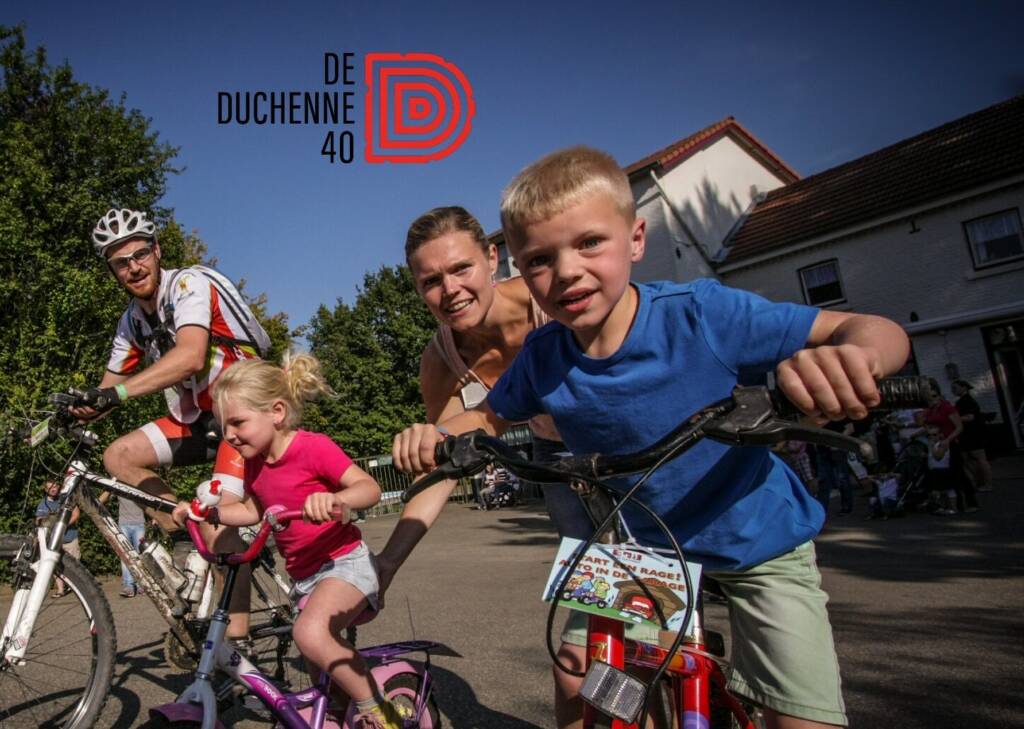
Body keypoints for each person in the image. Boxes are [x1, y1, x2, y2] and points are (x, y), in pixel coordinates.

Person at [392, 146, 911, 729]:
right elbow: (488, 416)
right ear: (519, 266)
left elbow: (871, 329)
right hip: (642, 552)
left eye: (590, 242)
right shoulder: (543, 356)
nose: (567, 271)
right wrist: (435, 433)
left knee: (799, 717)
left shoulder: (701, 314)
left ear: (636, 239)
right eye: (539, 259)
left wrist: (857, 358)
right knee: (578, 674)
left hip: (756, 543)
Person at [171, 353, 403, 729]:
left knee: (309, 633)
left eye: (238, 422)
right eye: (223, 426)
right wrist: (208, 514)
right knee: (321, 674)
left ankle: (379, 710)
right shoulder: (254, 463)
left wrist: (336, 500)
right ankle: (340, 713)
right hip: (304, 577)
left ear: (276, 412)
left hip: (344, 563)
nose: (229, 435)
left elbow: (369, 488)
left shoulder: (312, 447)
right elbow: (252, 509)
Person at [70, 208, 271, 635]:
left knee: (220, 529)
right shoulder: (132, 321)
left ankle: (239, 651)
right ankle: (183, 534)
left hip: (244, 414)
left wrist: (115, 395)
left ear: (157, 251)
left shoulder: (188, 284)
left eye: (140, 254)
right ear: (112, 271)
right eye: (120, 263)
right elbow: (108, 390)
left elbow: (190, 356)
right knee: (118, 456)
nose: (133, 267)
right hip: (201, 418)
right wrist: (75, 408)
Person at [376, 207, 594, 592]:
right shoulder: (442, 359)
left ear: (492, 258)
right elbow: (443, 461)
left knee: (669, 566)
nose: (450, 290)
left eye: (462, 269)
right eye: (431, 281)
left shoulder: (550, 300)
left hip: (618, 433)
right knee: (589, 581)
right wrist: (387, 563)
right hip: (555, 449)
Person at [917, 378, 976, 513]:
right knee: (943, 474)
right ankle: (950, 504)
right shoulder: (930, 410)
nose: (931, 399)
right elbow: (924, 424)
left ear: (938, 394)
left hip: (950, 443)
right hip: (937, 443)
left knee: (958, 473)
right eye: (928, 396)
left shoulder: (946, 407)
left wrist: (948, 439)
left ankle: (969, 502)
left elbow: (959, 427)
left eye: (933, 396)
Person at [35, 480, 81, 598]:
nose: (53, 489)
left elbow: (76, 513)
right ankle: (61, 590)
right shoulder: (43, 504)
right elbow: (38, 521)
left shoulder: (66, 499)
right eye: (50, 487)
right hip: (53, 540)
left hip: (70, 538)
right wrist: (46, 524)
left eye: (55, 486)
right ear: (46, 490)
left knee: (75, 565)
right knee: (55, 565)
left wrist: (62, 526)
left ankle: (77, 589)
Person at [952, 379, 992, 493]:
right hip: (965, 434)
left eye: (955, 388)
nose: (953, 390)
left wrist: (954, 419)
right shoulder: (961, 401)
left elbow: (970, 417)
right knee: (966, 459)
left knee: (980, 459)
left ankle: (988, 484)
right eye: (952, 388)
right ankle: (979, 482)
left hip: (973, 433)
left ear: (964, 387)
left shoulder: (968, 401)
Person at [118, 496, 147, 597]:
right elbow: (104, 496)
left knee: (140, 555)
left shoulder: (139, 487)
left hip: (139, 524)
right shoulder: (118, 487)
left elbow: (149, 502)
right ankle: (129, 587)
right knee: (125, 556)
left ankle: (141, 584)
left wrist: (155, 518)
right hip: (123, 524)